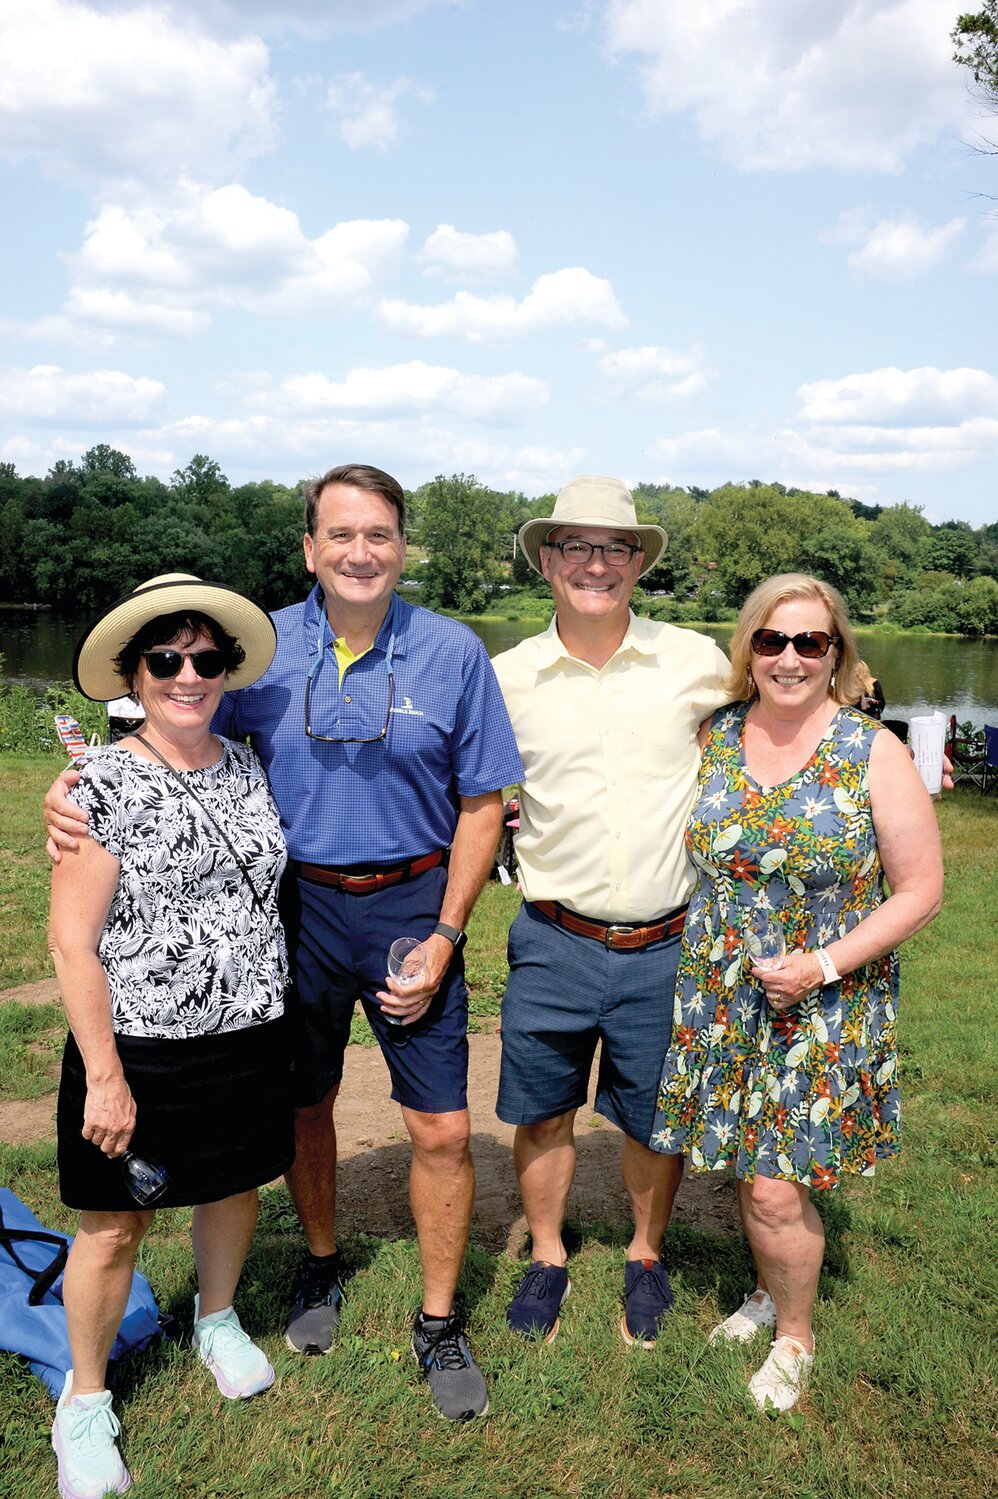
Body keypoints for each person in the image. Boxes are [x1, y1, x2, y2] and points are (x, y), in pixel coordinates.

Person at [46, 465, 523, 1423]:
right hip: (294, 910)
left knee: (441, 1124)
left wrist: (445, 929)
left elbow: (484, 803)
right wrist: (73, 792)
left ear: (401, 546)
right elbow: (164, 728)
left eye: (379, 533)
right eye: (339, 533)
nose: (359, 551)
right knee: (303, 1104)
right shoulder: (256, 649)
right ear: (310, 547)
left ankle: (436, 1320)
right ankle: (318, 1263)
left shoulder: (454, 651)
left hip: (411, 905)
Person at [650, 573, 942, 1411]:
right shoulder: (716, 733)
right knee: (748, 1165)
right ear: (748, 648)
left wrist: (824, 962)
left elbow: (921, 888)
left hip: (822, 996)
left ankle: (796, 1333)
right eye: (772, 640)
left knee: (777, 1181)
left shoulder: (869, 750)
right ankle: (771, 1290)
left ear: (836, 652)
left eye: (810, 641)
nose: (789, 657)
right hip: (721, 993)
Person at [48, 574, 291, 1499]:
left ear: (226, 669)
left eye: (206, 657)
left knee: (231, 1185)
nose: (188, 674)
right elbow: (72, 942)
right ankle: (85, 1398)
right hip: (141, 1041)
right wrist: (104, 1074)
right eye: (166, 658)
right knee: (114, 1223)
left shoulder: (246, 761)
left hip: (245, 1029)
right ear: (133, 674)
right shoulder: (98, 784)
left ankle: (218, 1318)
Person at [491, 475, 731, 1348]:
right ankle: (548, 1255)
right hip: (554, 934)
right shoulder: (506, 676)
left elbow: (782, 721)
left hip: (668, 936)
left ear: (638, 562)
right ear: (547, 560)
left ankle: (644, 1253)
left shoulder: (697, 661)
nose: (596, 564)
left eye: (616, 548)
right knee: (542, 1109)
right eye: (576, 547)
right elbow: (461, 791)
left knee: (650, 1114)